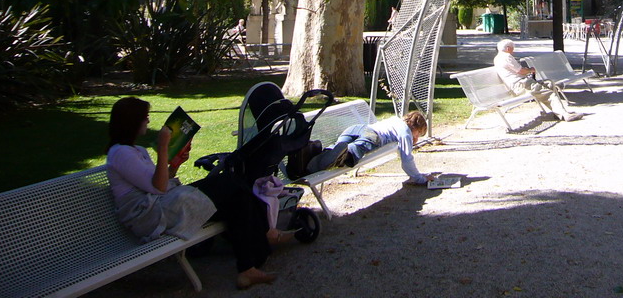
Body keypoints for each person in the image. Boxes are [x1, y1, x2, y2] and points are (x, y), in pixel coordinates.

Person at [106, 97, 291, 290]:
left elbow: (159, 181)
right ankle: (265, 234)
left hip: (161, 203)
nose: (148, 121)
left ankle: (247, 269)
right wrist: (162, 148)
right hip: (149, 215)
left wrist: (175, 163)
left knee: (236, 196)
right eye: (145, 117)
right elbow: (158, 187)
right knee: (229, 183)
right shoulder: (120, 153)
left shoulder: (136, 150)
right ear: (132, 121)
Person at [305, 110, 438, 186]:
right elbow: (407, 159)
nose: (417, 138)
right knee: (356, 150)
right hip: (372, 135)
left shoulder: (395, 120)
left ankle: (320, 157)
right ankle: (343, 152)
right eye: (418, 134)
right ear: (416, 128)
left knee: (337, 149)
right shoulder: (405, 133)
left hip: (356, 128)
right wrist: (420, 178)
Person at [493, 39, 583, 121]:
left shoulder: (498, 58)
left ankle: (559, 112)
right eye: (513, 48)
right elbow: (521, 71)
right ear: (508, 48)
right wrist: (531, 70)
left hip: (519, 84)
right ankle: (565, 115)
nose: (513, 51)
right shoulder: (506, 56)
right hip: (521, 84)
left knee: (549, 84)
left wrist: (527, 71)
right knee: (548, 92)